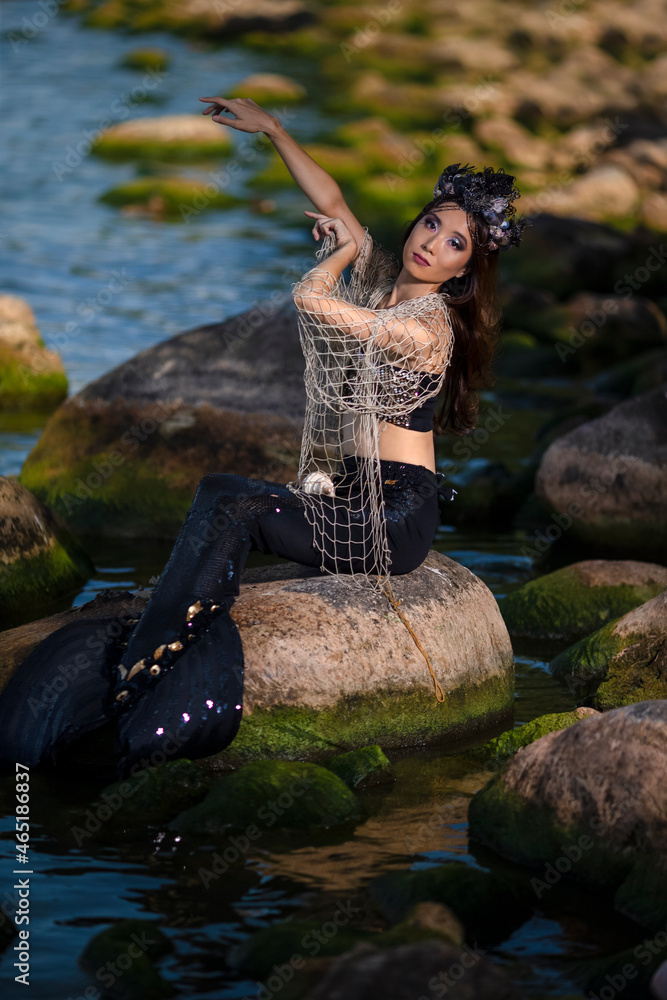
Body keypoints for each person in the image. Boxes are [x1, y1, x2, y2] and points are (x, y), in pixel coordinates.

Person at [0, 98, 526, 781]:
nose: (432, 242)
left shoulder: (425, 327)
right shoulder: (387, 290)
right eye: (431, 224)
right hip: (355, 495)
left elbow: (311, 302)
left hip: (393, 517)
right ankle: (172, 625)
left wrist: (333, 256)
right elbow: (333, 198)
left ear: (463, 270)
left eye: (454, 243)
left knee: (231, 498)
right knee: (227, 500)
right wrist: (276, 131)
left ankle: (163, 652)